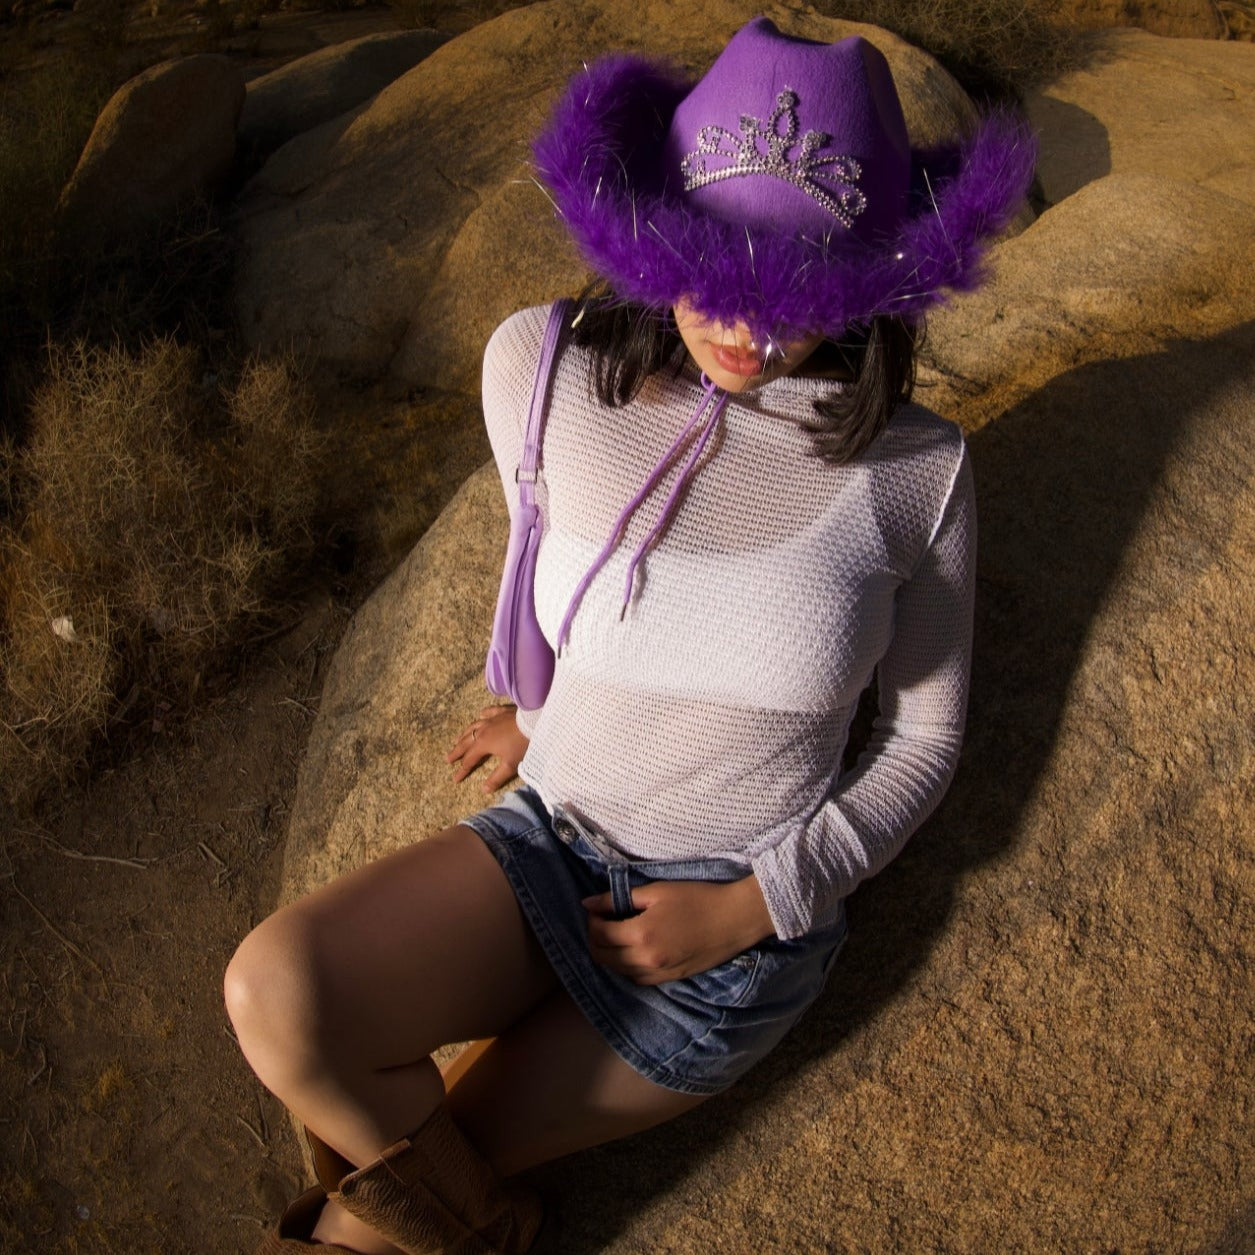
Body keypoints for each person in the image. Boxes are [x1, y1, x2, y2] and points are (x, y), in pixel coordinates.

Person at [225, 17, 1034, 1255]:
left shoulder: (916, 472)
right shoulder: (541, 372)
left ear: (869, 283)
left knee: (365, 1220)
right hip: (546, 841)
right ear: (653, 225)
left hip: (717, 944)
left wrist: (757, 904)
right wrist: (546, 703)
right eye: (713, 265)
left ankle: (444, 1218)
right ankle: (483, 1224)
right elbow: (549, 567)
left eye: (796, 293)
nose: (746, 331)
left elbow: (925, 737)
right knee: (274, 992)